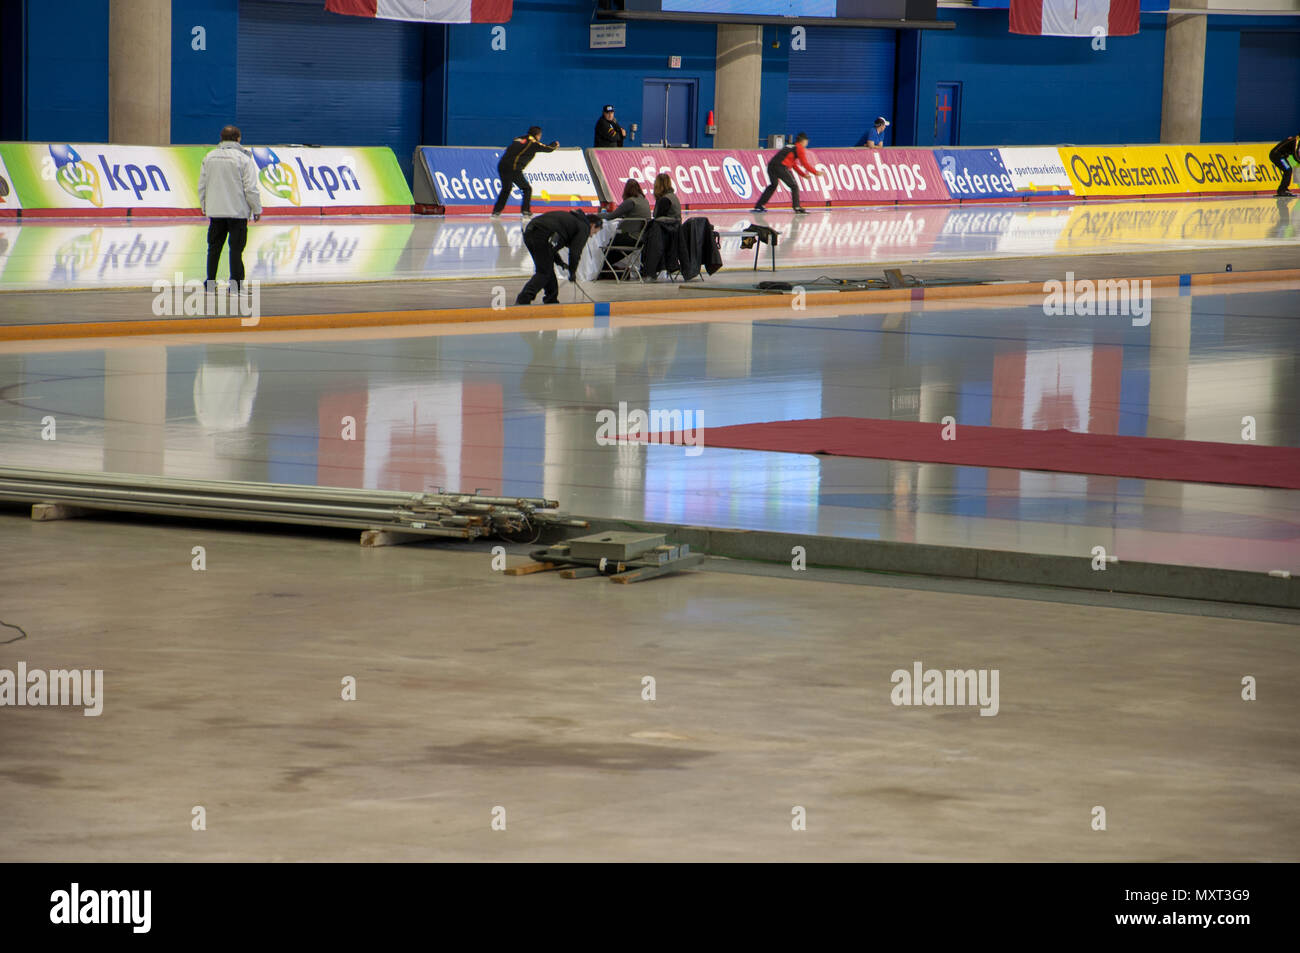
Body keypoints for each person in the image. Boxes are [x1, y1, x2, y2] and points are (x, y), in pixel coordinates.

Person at [197, 125, 262, 291]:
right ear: (238, 138)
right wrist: (256, 209)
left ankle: (210, 283)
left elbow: (202, 186)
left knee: (213, 248)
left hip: (216, 211)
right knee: (236, 250)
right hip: (238, 212)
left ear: (221, 138)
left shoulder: (209, 157)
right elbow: (250, 188)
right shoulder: (244, 159)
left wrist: (205, 206)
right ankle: (236, 285)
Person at [516, 210, 601, 305]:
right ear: (593, 225)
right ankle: (523, 299)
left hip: (530, 232)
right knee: (544, 272)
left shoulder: (573, 221)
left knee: (547, 269)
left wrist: (559, 262)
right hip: (541, 235)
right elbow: (575, 252)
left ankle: (551, 300)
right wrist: (572, 272)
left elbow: (550, 248)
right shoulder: (584, 227)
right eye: (595, 232)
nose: (592, 236)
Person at [491, 126, 559, 218]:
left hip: (502, 165)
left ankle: (496, 211)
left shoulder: (519, 139)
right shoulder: (533, 143)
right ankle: (526, 211)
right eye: (540, 135)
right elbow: (548, 148)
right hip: (514, 168)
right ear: (538, 135)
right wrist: (554, 144)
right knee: (527, 189)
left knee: (506, 189)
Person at [753, 132, 823, 214]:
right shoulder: (799, 148)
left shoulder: (790, 146)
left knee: (773, 185)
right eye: (806, 142)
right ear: (803, 141)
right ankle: (797, 207)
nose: (806, 144)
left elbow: (793, 164)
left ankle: (759, 205)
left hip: (771, 166)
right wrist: (815, 172)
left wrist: (803, 174)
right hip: (781, 167)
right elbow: (804, 164)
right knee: (794, 186)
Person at [600, 178, 652, 272]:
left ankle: (603, 269)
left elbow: (611, 216)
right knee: (614, 242)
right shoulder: (644, 201)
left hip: (632, 237)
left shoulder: (630, 201)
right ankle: (609, 269)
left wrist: (595, 216)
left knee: (609, 246)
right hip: (642, 238)